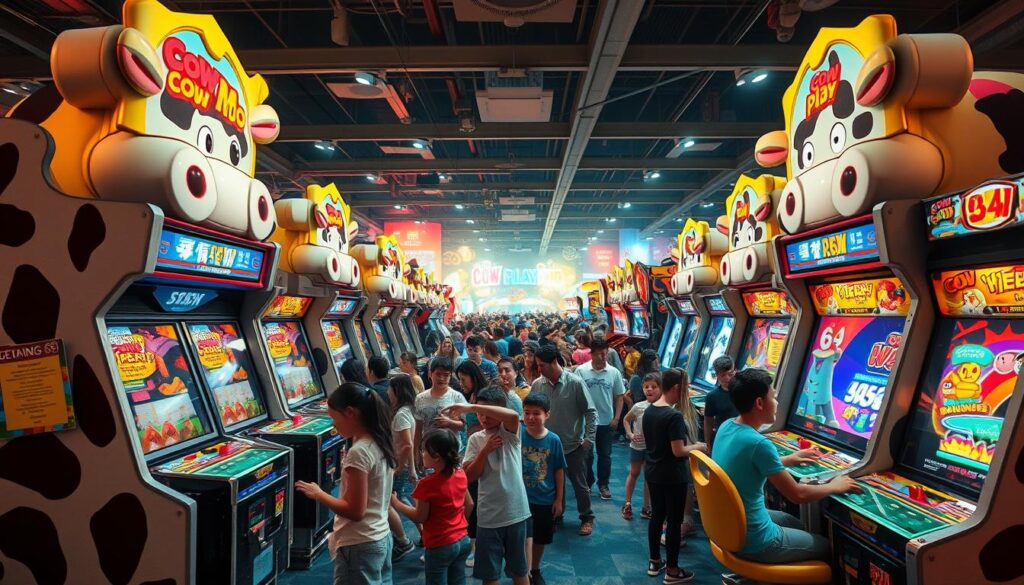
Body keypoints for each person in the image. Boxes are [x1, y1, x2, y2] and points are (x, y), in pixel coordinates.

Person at [712, 368, 861, 564]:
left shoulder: (728, 426)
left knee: (794, 522)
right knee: (828, 547)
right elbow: (797, 495)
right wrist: (836, 486)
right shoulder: (759, 444)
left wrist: (788, 459)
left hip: (727, 525)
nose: (777, 403)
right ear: (759, 403)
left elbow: (745, 463)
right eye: (773, 397)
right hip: (755, 540)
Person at [296, 383, 396, 585]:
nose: (333, 425)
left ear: (350, 413)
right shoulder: (379, 439)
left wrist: (318, 494)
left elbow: (355, 511)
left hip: (359, 542)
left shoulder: (359, 452)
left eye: (335, 418)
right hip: (380, 536)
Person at [445, 389, 532, 585]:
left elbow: (513, 415)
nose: (483, 417)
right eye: (479, 413)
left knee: (519, 570)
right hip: (488, 516)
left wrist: (472, 406)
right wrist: (485, 451)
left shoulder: (509, 431)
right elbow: (468, 476)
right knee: (489, 574)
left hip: (515, 512)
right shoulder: (476, 439)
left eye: (488, 412)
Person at [643, 368, 706, 584]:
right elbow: (678, 451)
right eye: (686, 388)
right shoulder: (674, 415)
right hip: (673, 476)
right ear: (678, 388)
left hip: (652, 472)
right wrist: (699, 446)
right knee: (674, 521)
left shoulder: (650, 410)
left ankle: (654, 561)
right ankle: (672, 570)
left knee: (657, 516)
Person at [391, 429, 473, 585]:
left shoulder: (427, 484)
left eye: (424, 451)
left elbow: (420, 517)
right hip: (463, 540)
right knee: (458, 579)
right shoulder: (460, 473)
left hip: (440, 544)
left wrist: (396, 503)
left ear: (437, 457)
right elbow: (469, 504)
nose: (422, 454)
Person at [530, 345, 597, 536]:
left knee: (579, 485)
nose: (539, 369)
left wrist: (589, 439)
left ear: (554, 362)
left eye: (542, 365)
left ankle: (586, 517)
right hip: (546, 445)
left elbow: (591, 412)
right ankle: (556, 516)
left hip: (573, 445)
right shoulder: (538, 385)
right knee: (551, 485)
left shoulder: (575, 383)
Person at [520, 392, 566, 585]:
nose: (530, 417)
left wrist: (558, 499)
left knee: (539, 538)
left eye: (536, 413)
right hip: (520, 498)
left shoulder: (553, 440)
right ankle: (522, 570)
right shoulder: (518, 434)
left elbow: (558, 471)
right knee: (521, 537)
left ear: (547, 414)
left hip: (544, 499)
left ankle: (534, 568)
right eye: (527, 412)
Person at [575, 337, 626, 500]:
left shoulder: (613, 372)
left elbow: (619, 396)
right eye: (600, 354)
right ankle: (588, 483)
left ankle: (603, 484)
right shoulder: (581, 371)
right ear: (592, 354)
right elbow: (575, 396)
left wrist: (616, 418)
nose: (603, 357)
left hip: (606, 421)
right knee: (587, 456)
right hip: (586, 422)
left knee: (605, 455)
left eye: (605, 354)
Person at [387, 374, 419, 561]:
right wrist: (411, 468)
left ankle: (403, 541)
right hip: (404, 464)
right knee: (401, 500)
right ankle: (422, 533)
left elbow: (407, 444)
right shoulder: (408, 410)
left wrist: (399, 468)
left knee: (389, 502)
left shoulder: (401, 415)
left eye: (391, 389)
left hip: (398, 465)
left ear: (396, 391)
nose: (388, 392)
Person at [414, 358, 468, 464]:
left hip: (451, 452)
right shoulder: (420, 398)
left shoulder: (457, 397)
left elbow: (465, 426)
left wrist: (450, 423)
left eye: (446, 375)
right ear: (430, 373)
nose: (442, 378)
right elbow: (418, 429)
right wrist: (417, 452)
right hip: (429, 452)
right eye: (438, 374)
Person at [622, 372, 660, 521]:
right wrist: (630, 434)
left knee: (649, 477)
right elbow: (626, 419)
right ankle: (627, 503)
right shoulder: (639, 407)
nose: (649, 389)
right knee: (634, 473)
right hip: (637, 446)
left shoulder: (663, 407)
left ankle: (646, 507)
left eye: (653, 387)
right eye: (646, 387)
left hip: (653, 448)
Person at [704, 355, 738, 448]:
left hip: (741, 436)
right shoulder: (712, 396)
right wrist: (707, 441)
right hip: (723, 437)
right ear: (716, 375)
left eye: (730, 374)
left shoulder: (743, 391)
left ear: (736, 371)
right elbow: (708, 420)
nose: (727, 378)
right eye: (723, 375)